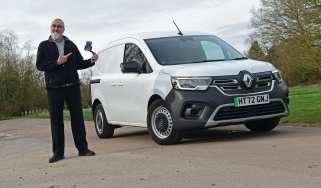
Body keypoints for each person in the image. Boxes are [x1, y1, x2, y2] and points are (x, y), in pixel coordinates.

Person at [36, 18, 97, 163]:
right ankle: (58, 153)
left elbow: (79, 64)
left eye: (59, 26)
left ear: (64, 29)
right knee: (56, 121)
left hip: (72, 87)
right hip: (54, 89)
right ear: (50, 28)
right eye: (54, 26)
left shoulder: (71, 45)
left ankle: (83, 149)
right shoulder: (44, 46)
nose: (56, 29)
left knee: (78, 119)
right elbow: (40, 65)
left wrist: (91, 61)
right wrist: (57, 62)